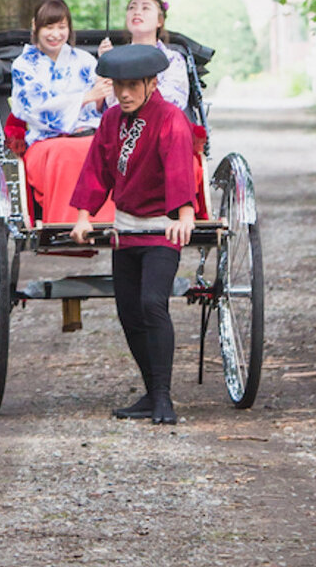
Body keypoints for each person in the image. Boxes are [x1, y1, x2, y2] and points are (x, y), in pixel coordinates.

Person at [70, 43, 198, 425]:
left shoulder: (170, 118)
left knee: (151, 304)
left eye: (132, 86)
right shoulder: (111, 122)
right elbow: (96, 170)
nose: (124, 94)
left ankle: (163, 397)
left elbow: (179, 164)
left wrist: (185, 212)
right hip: (125, 231)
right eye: (118, 86)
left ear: (152, 82)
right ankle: (149, 392)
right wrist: (83, 215)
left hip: (161, 229)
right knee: (128, 313)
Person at [10, 0, 114, 223]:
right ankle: (67, 224)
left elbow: (104, 109)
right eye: (49, 27)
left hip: (88, 135)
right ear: (35, 26)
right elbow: (36, 110)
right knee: (66, 153)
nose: (55, 34)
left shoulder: (85, 60)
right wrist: (85, 97)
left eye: (61, 27)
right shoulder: (24, 65)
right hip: (47, 142)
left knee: (113, 149)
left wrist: (103, 86)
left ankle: (111, 223)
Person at [97, 0, 189, 110]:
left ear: (160, 21)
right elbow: (110, 102)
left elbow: (175, 99)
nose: (137, 12)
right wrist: (106, 65)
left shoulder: (172, 59)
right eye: (132, 8)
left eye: (145, 8)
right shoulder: (115, 59)